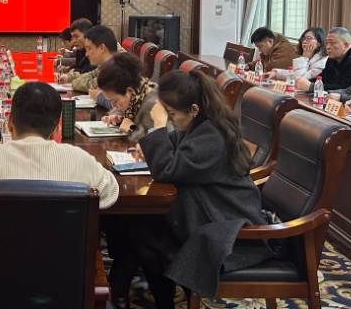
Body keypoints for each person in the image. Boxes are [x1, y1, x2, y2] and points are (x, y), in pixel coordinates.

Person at [109, 71, 270, 309]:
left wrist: (158, 127)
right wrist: (152, 142)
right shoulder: (201, 123)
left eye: (172, 114)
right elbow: (172, 147)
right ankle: (119, 292)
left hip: (224, 222)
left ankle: (132, 296)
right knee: (136, 223)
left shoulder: (212, 135)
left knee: (142, 229)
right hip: (207, 206)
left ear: (193, 109)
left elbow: (166, 170)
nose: (171, 120)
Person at [0, 82, 119, 209]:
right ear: (56, 131)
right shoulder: (80, 160)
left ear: (9, 124)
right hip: (60, 249)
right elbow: (110, 190)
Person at [98, 53, 169, 143]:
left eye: (115, 101)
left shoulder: (152, 105)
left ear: (129, 91)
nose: (113, 106)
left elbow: (157, 143)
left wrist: (131, 129)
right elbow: (128, 109)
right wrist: (119, 118)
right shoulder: (140, 90)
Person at [59, 25, 120, 108]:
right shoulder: (107, 65)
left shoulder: (118, 68)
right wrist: (69, 77)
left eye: (89, 49)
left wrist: (98, 96)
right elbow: (91, 74)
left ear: (101, 48)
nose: (87, 54)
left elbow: (118, 105)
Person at [298, 27, 351, 92]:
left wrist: (312, 86)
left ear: (346, 45)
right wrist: (305, 83)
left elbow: (345, 89)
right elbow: (322, 79)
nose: (328, 47)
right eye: (326, 43)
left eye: (332, 43)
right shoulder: (332, 58)